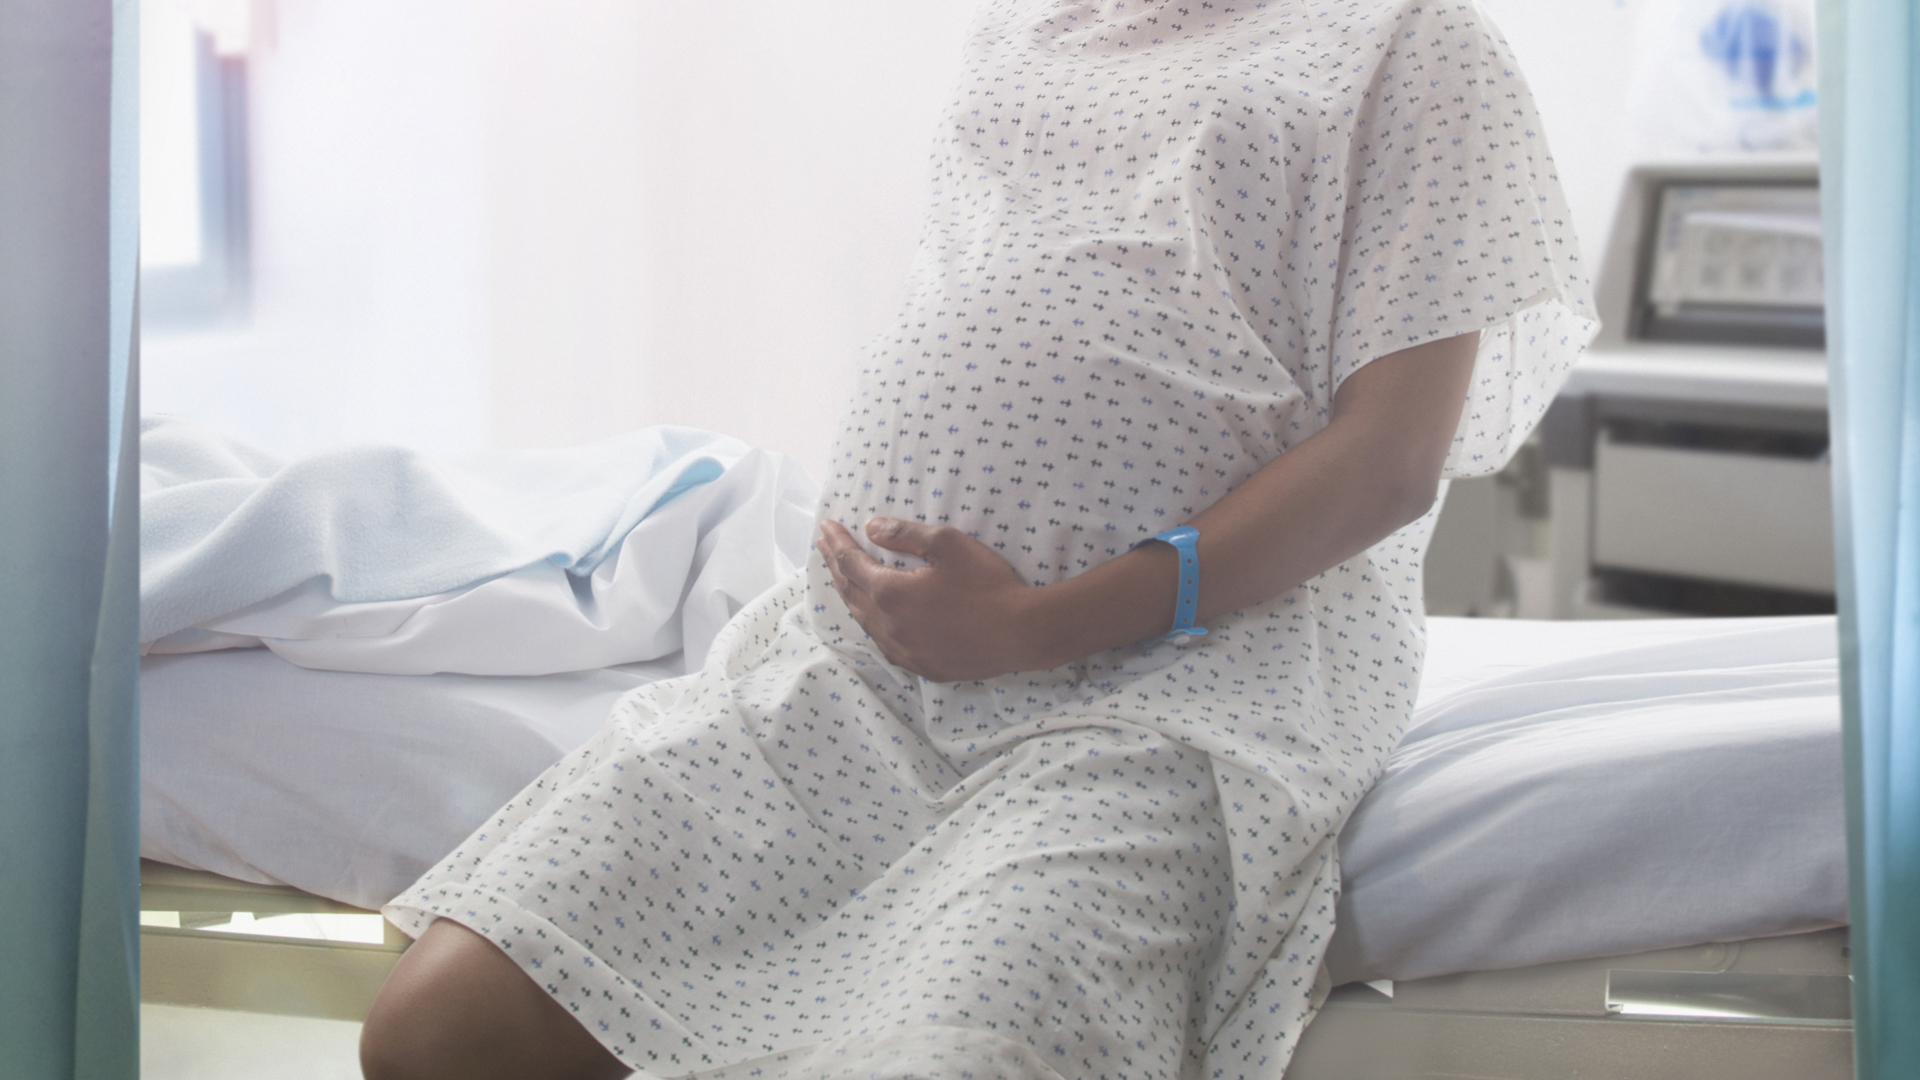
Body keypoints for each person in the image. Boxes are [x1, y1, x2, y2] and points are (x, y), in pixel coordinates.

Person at [360, 1, 1595, 1077]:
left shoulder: (1409, 42)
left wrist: (1034, 624)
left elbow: (1386, 465)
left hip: (1165, 702)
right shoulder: (1033, 22)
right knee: (433, 1032)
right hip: (854, 679)